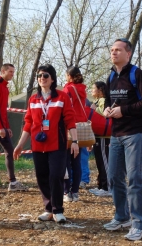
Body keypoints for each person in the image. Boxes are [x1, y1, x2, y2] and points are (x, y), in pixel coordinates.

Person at [103, 38, 142, 241]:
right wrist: (107, 108)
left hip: (136, 134)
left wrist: (123, 111)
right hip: (116, 135)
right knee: (114, 178)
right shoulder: (111, 77)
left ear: (128, 53)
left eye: (118, 50)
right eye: (111, 50)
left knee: (135, 180)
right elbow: (109, 100)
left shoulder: (138, 75)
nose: (113, 53)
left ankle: (140, 225)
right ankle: (122, 217)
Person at [13, 64, 79, 223]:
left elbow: (70, 120)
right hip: (38, 144)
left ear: (52, 79)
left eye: (45, 76)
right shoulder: (33, 99)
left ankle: (58, 210)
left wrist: (75, 141)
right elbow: (28, 123)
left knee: (56, 175)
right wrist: (20, 144)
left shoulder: (62, 97)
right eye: (39, 76)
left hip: (58, 144)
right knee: (42, 176)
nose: (42, 78)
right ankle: (48, 209)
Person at [0, 63, 28, 195]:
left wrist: (7, 127)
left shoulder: (5, 88)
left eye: (13, 72)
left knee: (9, 150)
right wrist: (0, 127)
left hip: (1, 125)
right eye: (10, 72)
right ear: (2, 71)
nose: (12, 75)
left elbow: (3, 110)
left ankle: (12, 182)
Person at [62, 66, 87, 202]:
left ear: (69, 76)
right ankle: (75, 192)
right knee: (76, 161)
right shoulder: (82, 90)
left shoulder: (69, 89)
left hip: (69, 127)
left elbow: (65, 108)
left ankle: (66, 192)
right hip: (81, 128)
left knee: (66, 161)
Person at [88, 81, 111, 197]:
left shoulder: (105, 101)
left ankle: (108, 187)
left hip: (104, 137)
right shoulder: (96, 102)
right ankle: (101, 186)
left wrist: (94, 109)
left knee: (104, 161)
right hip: (98, 135)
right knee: (99, 161)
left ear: (100, 90)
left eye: (94, 88)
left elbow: (106, 114)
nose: (92, 90)